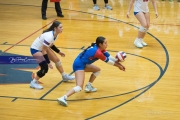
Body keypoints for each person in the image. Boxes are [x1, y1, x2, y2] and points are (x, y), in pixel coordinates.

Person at [57, 36, 125, 106]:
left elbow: (109, 57)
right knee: (79, 87)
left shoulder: (99, 47)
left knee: (97, 70)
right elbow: (108, 61)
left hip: (83, 63)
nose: (107, 44)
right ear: (100, 44)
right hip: (78, 65)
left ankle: (89, 86)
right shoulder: (98, 52)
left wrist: (119, 63)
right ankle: (63, 97)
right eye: (105, 43)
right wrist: (119, 66)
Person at [30, 20, 75, 90]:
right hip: (35, 49)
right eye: (60, 27)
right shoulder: (49, 36)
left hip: (43, 48)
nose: (62, 28)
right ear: (55, 28)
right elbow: (44, 50)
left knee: (57, 61)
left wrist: (59, 52)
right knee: (44, 68)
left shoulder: (55, 35)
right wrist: (48, 62)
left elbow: (51, 45)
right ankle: (33, 82)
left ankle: (64, 76)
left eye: (62, 27)